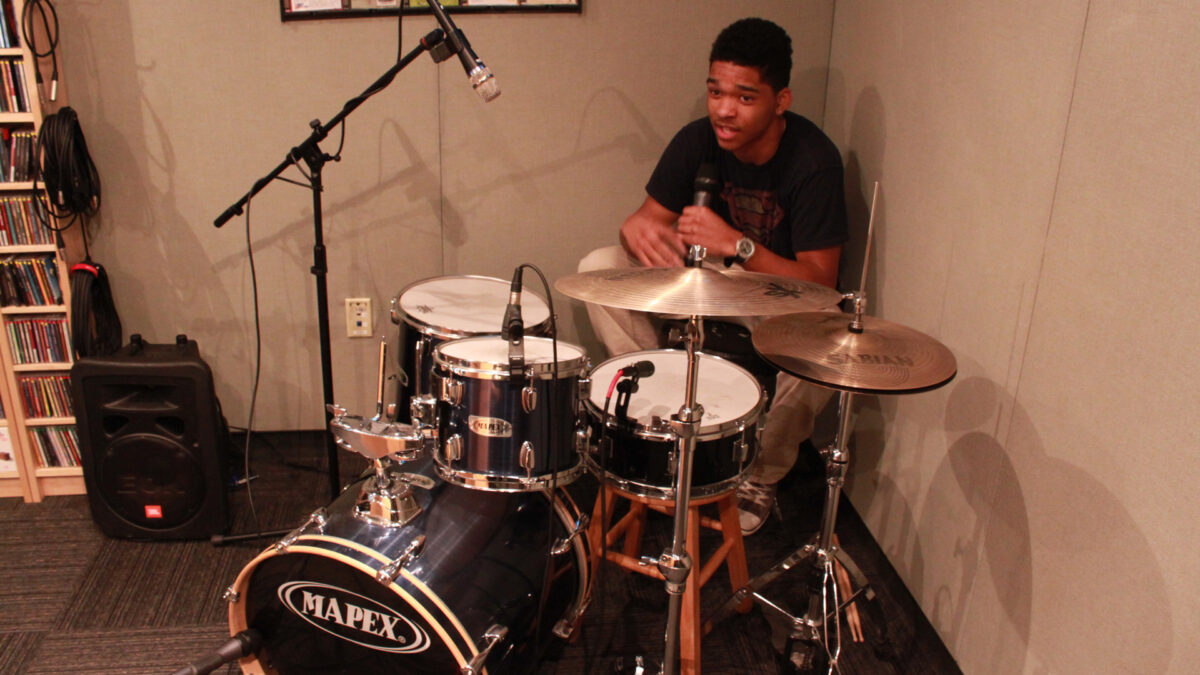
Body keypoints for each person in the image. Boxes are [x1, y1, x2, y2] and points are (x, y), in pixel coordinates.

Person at [577, 17, 848, 535]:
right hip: (702, 280)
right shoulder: (697, 141)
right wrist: (638, 233)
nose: (725, 109)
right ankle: (655, 420)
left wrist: (738, 245)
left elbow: (820, 285)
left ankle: (761, 474)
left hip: (776, 295)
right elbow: (643, 221)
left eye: (745, 97)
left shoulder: (814, 162)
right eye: (715, 91)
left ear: (780, 100)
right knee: (599, 266)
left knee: (831, 338)